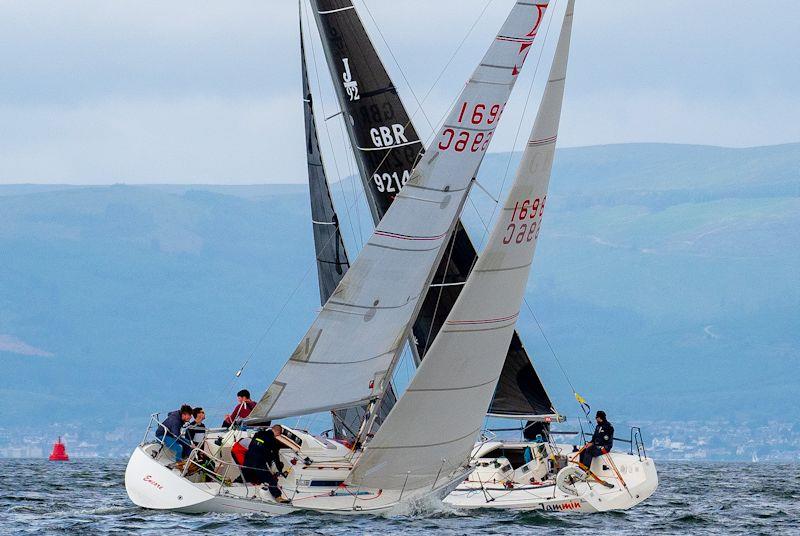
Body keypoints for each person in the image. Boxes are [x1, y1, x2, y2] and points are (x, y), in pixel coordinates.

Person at [241, 425, 290, 503]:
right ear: (277, 432)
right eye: (279, 434)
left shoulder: (258, 433)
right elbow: (275, 456)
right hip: (258, 462)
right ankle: (278, 497)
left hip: (248, 459)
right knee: (271, 479)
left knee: (245, 475)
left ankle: (233, 484)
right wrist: (279, 469)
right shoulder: (273, 440)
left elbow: (251, 446)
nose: (278, 436)